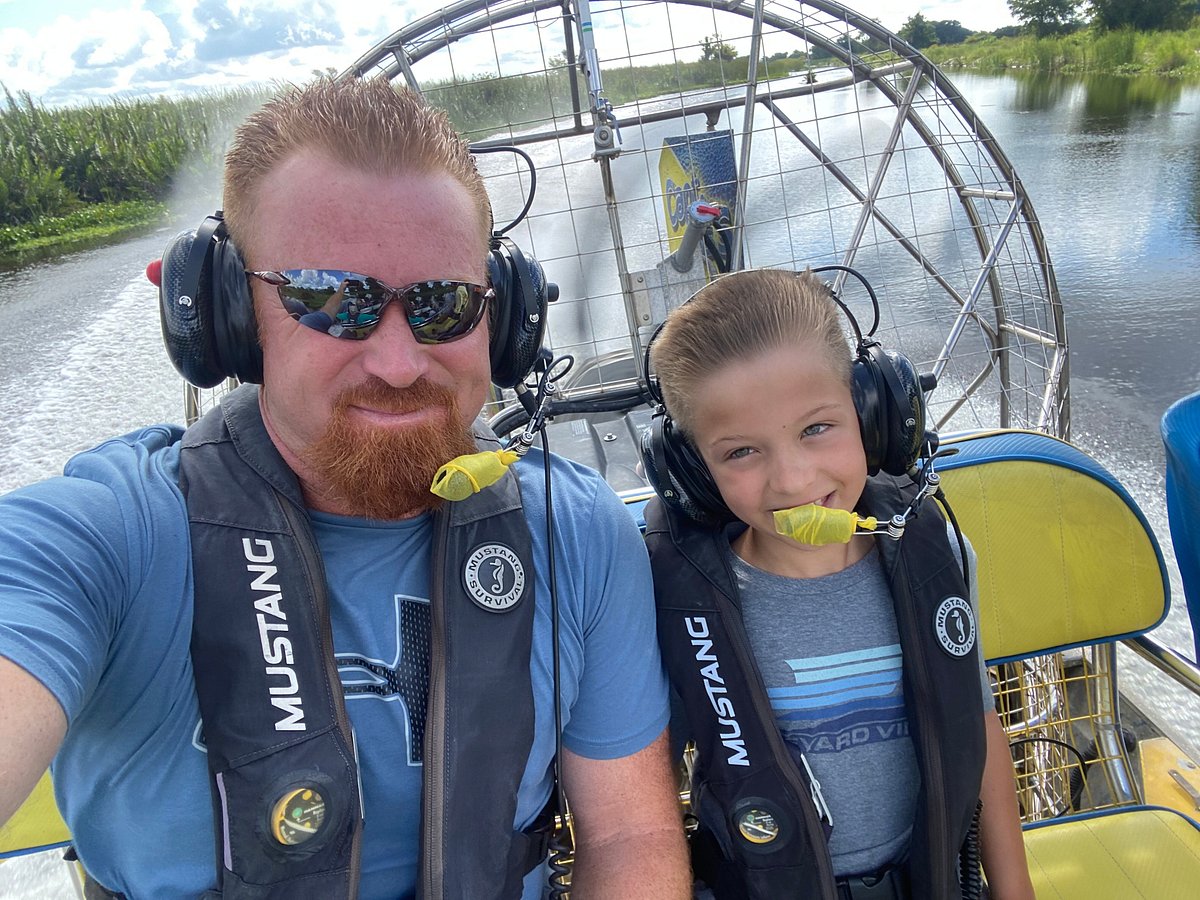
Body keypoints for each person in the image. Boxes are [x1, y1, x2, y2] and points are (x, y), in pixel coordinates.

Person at [0, 77, 690, 900]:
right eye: (332, 300)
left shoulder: (575, 530)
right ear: (226, 315)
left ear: (504, 325)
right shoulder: (110, 537)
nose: (399, 364)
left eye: (444, 306)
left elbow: (631, 837)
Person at [641, 269, 1034, 900]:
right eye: (741, 452)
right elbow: (649, 780)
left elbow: (976, 723)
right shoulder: (679, 601)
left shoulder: (938, 557)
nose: (793, 480)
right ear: (690, 470)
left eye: (816, 428)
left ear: (874, 417)